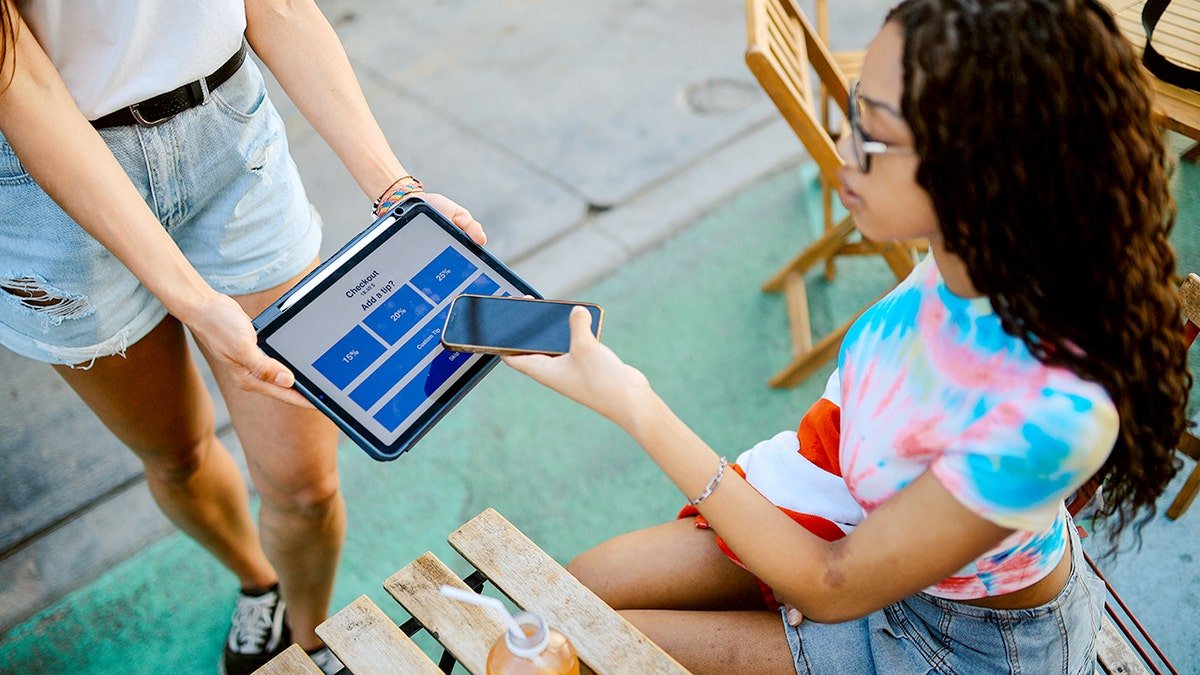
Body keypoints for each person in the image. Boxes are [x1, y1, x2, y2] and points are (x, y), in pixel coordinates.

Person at [504, 0, 1190, 672]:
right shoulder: (982, 254)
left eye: (874, 132)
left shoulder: (1054, 407)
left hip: (960, 647)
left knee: (585, 642)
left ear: (976, 166)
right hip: (863, 534)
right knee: (574, 588)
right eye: (856, 109)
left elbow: (830, 583)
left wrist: (634, 403)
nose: (841, 148)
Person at [0, 1, 485, 673]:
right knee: (177, 455)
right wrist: (191, 299)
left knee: (306, 485)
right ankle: (259, 583)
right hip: (47, 182)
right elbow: (17, 77)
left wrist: (394, 186)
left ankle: (311, 639)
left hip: (227, 135)